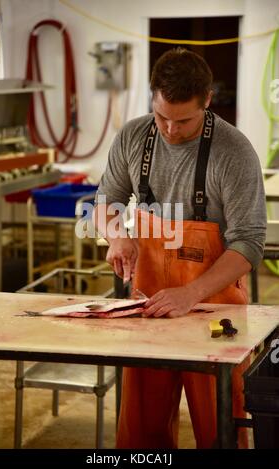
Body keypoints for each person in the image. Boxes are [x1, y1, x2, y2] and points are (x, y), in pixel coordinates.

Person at [93, 47, 266, 449]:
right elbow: (105, 201)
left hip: (215, 309)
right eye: (162, 117)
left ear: (207, 100)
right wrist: (117, 233)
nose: (170, 130)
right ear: (152, 97)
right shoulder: (134, 137)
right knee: (141, 428)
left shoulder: (235, 152)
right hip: (149, 304)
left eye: (183, 120)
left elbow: (249, 243)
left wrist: (190, 294)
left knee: (220, 423)